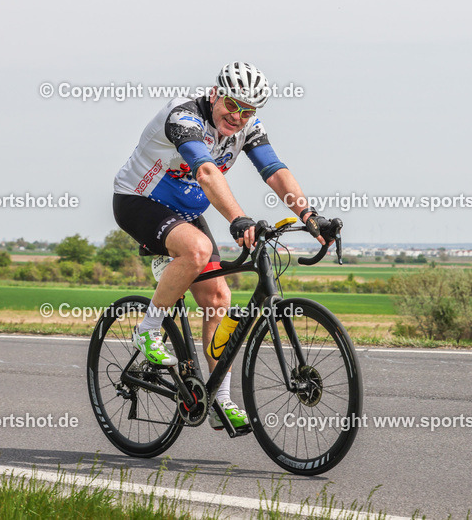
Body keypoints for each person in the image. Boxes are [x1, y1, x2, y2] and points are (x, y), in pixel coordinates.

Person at [112, 62, 330, 431]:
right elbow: (206, 171)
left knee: (219, 299)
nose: (238, 115)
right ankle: (148, 329)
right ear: (215, 94)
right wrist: (238, 219)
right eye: (232, 104)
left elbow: (275, 171)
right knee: (196, 250)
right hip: (139, 201)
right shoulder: (184, 117)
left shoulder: (246, 127)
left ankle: (219, 400)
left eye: (248, 110)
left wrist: (309, 215)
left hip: (184, 212)